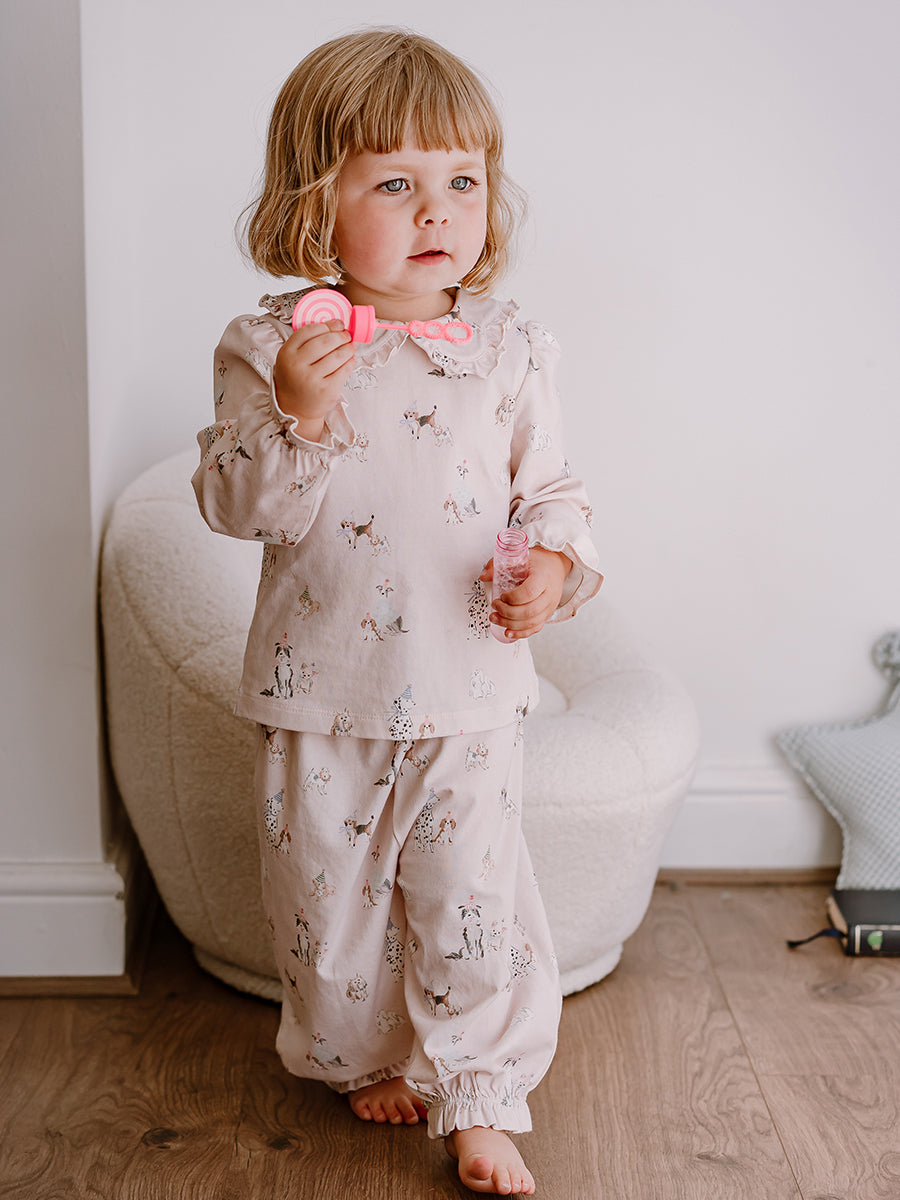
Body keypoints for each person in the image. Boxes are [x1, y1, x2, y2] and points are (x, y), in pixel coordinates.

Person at [192, 27, 601, 1196]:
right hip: (322, 692)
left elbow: (552, 492)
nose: (438, 212)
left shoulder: (508, 347)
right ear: (315, 203)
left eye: (462, 181)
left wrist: (553, 566)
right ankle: (366, 1055)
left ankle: (481, 1095)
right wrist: (299, 414)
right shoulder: (272, 345)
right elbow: (237, 507)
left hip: (471, 687)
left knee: (472, 901)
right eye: (394, 185)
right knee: (329, 913)